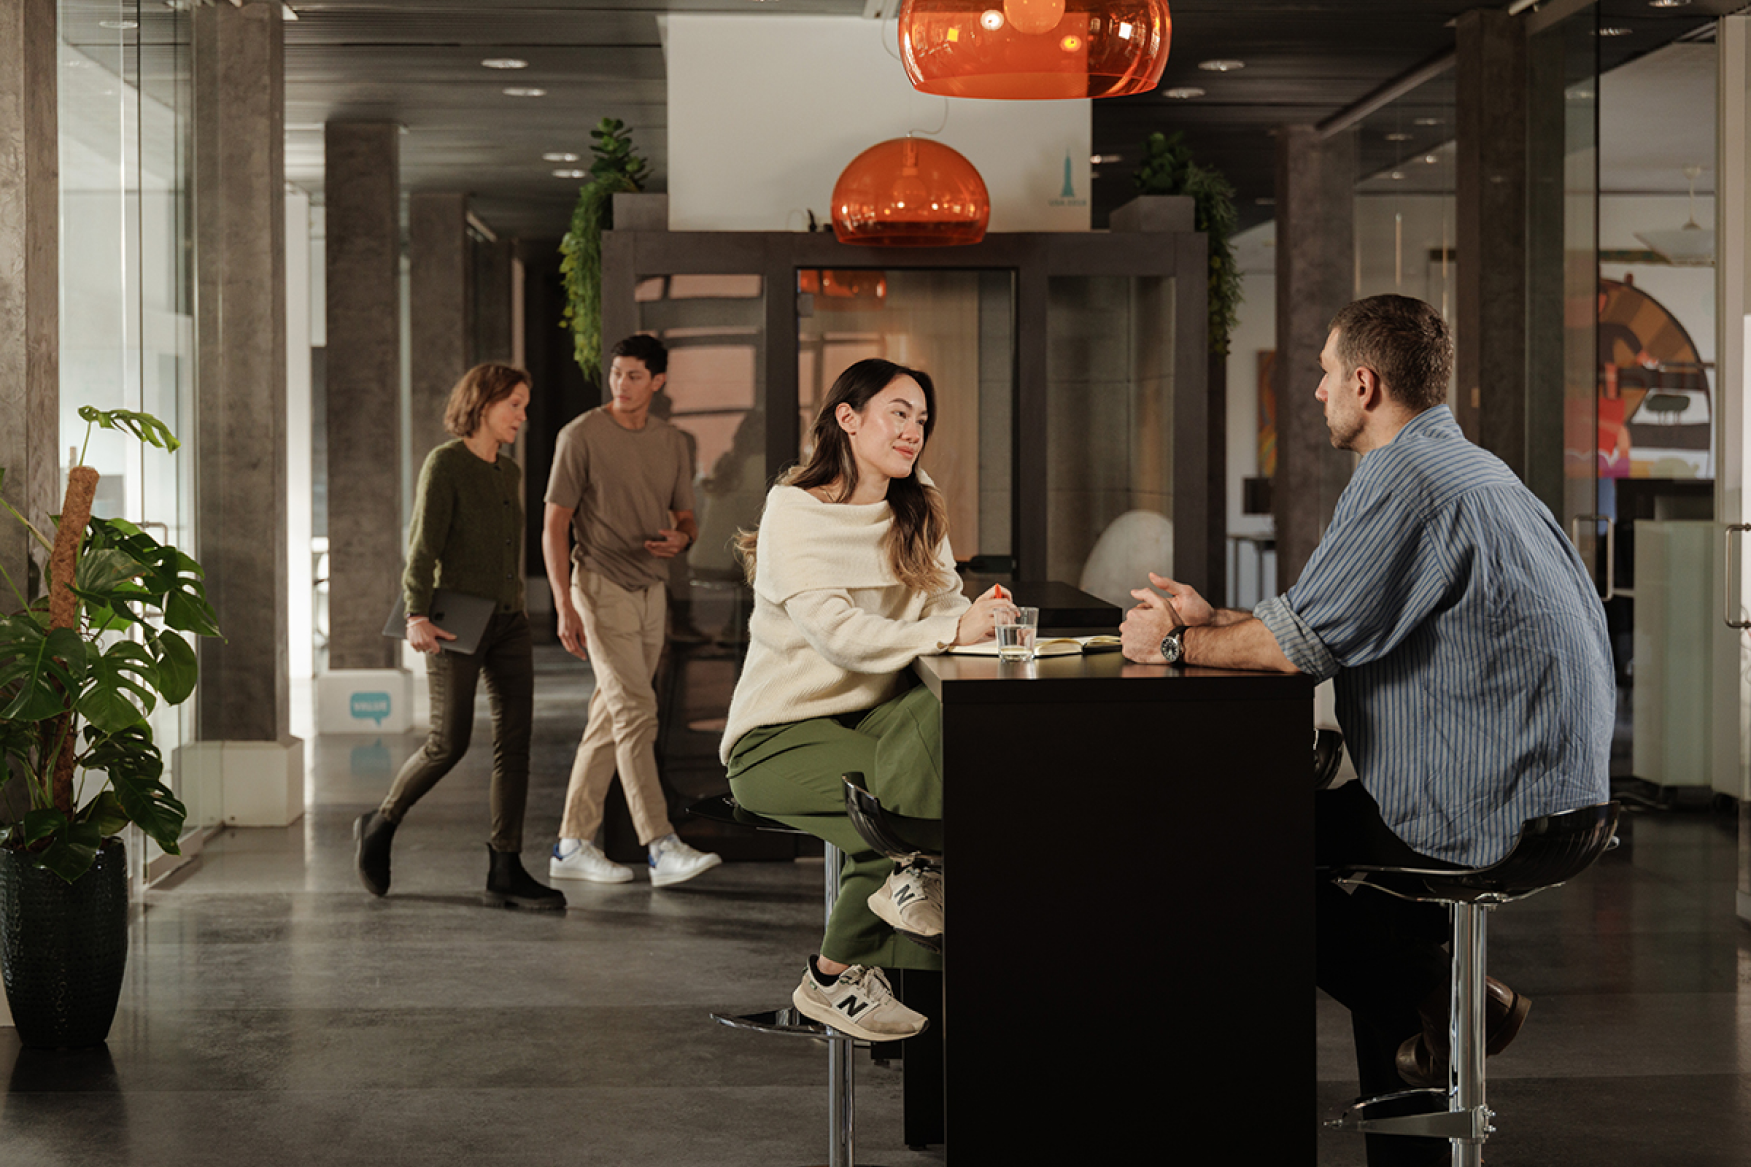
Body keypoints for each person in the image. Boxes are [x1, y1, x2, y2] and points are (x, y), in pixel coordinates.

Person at [1118, 294, 1613, 1167]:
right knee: (1356, 881)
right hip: (1564, 804)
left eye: (1319, 373)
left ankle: (1453, 1002)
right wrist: (1218, 616)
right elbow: (1328, 620)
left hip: (1480, 803)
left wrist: (1173, 644)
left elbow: (1293, 651)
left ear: (1363, 380)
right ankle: (1427, 1055)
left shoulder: (1402, 481)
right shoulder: (1474, 470)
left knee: (1225, 851)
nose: (1311, 393)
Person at [719, 358, 1014, 1043]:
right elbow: (841, 638)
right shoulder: (793, 511)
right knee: (912, 813)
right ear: (847, 419)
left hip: (874, 717)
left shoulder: (917, 499)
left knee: (948, 737)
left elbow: (944, 602)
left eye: (921, 418)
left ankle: (837, 969)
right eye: (898, 413)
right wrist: (951, 627)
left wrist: (980, 618)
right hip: (780, 733)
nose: (914, 430)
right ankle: (845, 960)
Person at [354, 363, 566, 911]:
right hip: (454, 621)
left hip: (510, 621)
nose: (522, 415)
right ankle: (381, 822)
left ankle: (505, 865)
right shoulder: (444, 465)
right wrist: (415, 615)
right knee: (448, 742)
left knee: (514, 744)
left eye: (524, 404)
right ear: (483, 403)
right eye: (514, 404)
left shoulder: (509, 472)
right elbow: (422, 547)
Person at [542, 334, 722, 887]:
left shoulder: (672, 442)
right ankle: (659, 844)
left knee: (613, 713)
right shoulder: (581, 435)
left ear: (658, 382)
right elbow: (554, 524)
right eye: (617, 374)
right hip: (599, 585)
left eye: (634, 375)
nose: (622, 384)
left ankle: (571, 844)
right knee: (637, 711)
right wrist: (563, 604)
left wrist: (681, 540)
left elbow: (687, 518)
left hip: (651, 590)